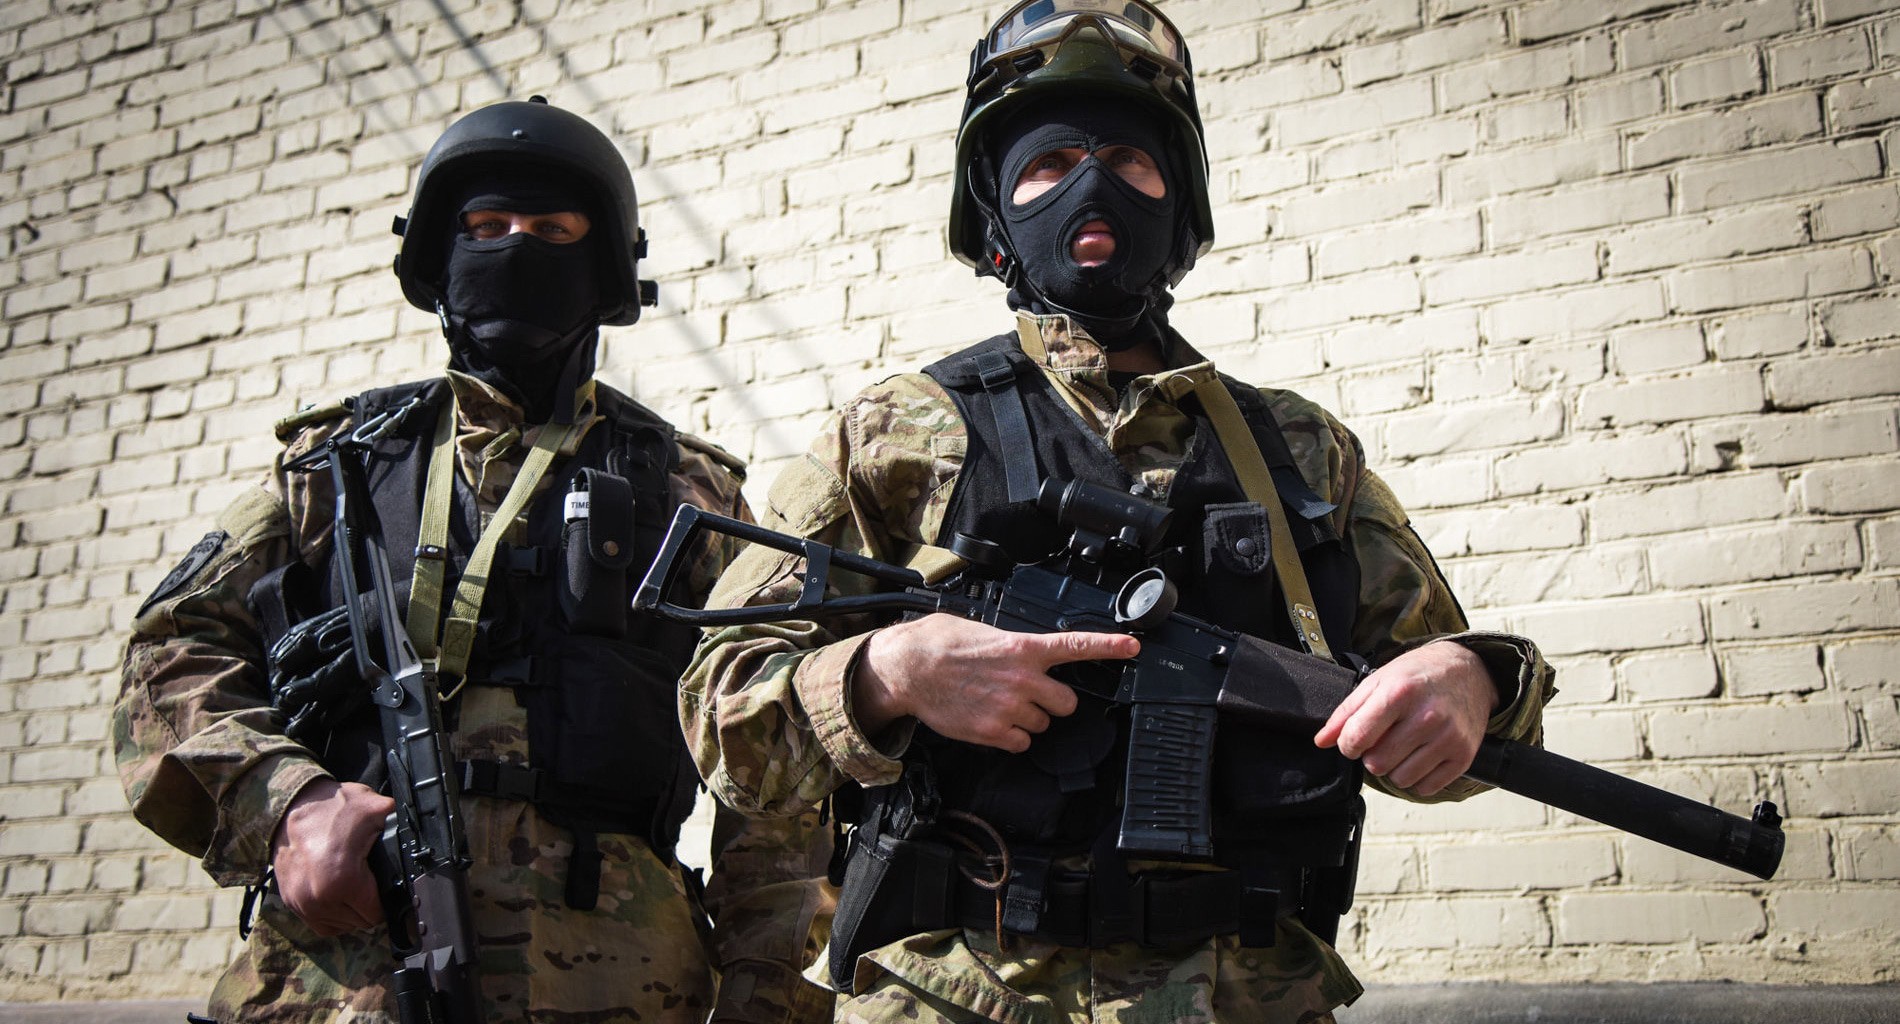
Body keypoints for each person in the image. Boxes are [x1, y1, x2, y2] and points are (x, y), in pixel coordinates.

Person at [680, 4, 1555, 1022]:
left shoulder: (1298, 450)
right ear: (995, 211)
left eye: (1130, 160)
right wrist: (887, 675)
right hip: (958, 995)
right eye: (1049, 163)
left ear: (1178, 203)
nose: (1092, 186)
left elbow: (1445, 725)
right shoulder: (894, 433)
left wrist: (1472, 680)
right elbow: (722, 719)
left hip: (1248, 997)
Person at [114, 97, 833, 1024]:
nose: (516, 249)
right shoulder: (335, 469)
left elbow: (776, 743)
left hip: (615, 980)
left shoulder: (688, 490)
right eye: (485, 227)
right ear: (438, 260)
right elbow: (168, 654)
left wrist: (765, 990)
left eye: (553, 230)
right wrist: (288, 803)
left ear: (604, 268)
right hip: (343, 974)